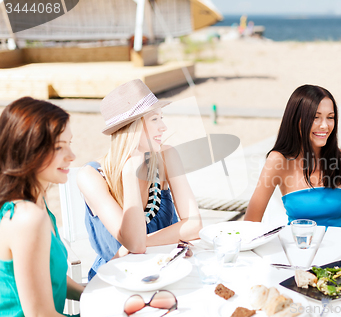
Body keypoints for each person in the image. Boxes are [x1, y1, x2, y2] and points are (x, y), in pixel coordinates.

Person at [77, 79, 202, 280]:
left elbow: (195, 225)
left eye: (161, 118)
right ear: (131, 127)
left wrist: (141, 243)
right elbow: (133, 244)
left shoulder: (166, 156)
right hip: (117, 278)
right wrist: (129, 174)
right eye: (154, 120)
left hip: (168, 269)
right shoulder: (91, 176)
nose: (164, 127)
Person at [244, 84, 341, 229]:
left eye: (330, 117)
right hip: (300, 248)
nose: (325, 126)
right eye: (316, 117)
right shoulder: (278, 161)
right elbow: (250, 224)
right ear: (296, 120)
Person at [0, 97, 83, 316]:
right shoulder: (26, 218)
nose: (72, 156)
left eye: (69, 143)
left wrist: (89, 293)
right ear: (27, 150)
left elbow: (46, 274)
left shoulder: (36, 201)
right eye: (58, 147)